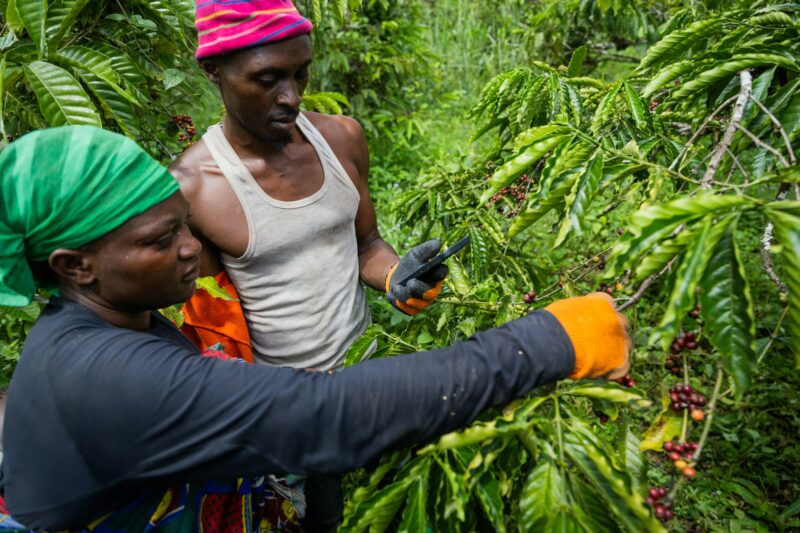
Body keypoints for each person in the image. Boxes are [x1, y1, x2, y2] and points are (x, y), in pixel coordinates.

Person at [0, 126, 630, 531]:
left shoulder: (110, 323)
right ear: (75, 267)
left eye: (185, 225)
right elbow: (328, 416)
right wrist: (547, 341)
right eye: (163, 240)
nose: (193, 249)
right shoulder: (103, 373)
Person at [170, 0, 448, 373]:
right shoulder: (193, 189)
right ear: (213, 70)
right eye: (267, 80)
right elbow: (214, 322)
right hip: (279, 402)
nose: (292, 96)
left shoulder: (342, 139)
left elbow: (366, 244)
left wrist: (396, 275)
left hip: (368, 377)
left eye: (300, 73)